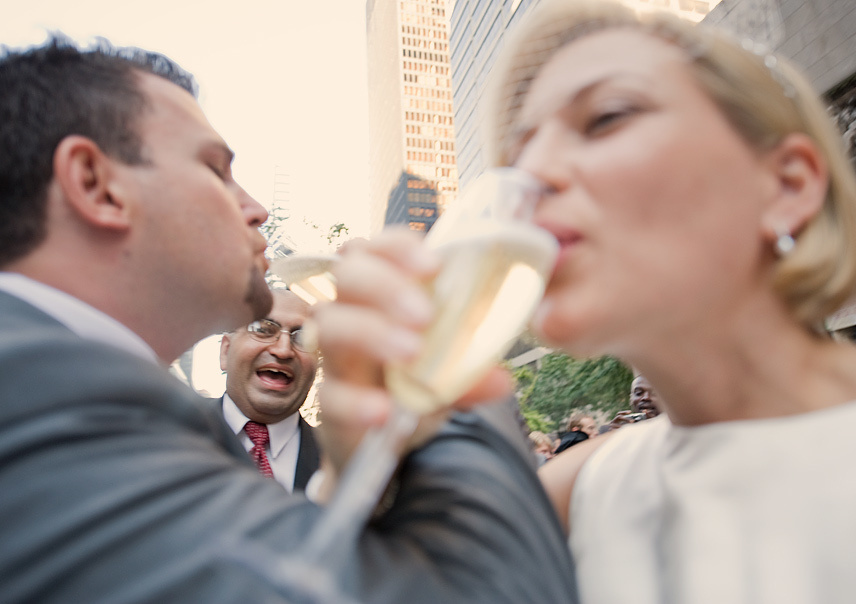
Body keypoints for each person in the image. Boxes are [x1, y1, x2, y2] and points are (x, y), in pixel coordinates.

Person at [315, 0, 856, 602]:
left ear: (786, 185)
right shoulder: (582, 495)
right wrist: (366, 477)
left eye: (606, 117)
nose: (534, 172)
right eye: (517, 156)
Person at [0, 37, 577, 603]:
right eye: (216, 169)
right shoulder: (48, 404)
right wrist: (445, 360)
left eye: (301, 336)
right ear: (95, 184)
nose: (257, 209)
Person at [216, 288, 320, 493]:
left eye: (302, 338)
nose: (283, 350)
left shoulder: (349, 467)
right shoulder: (168, 435)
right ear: (226, 351)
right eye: (263, 329)